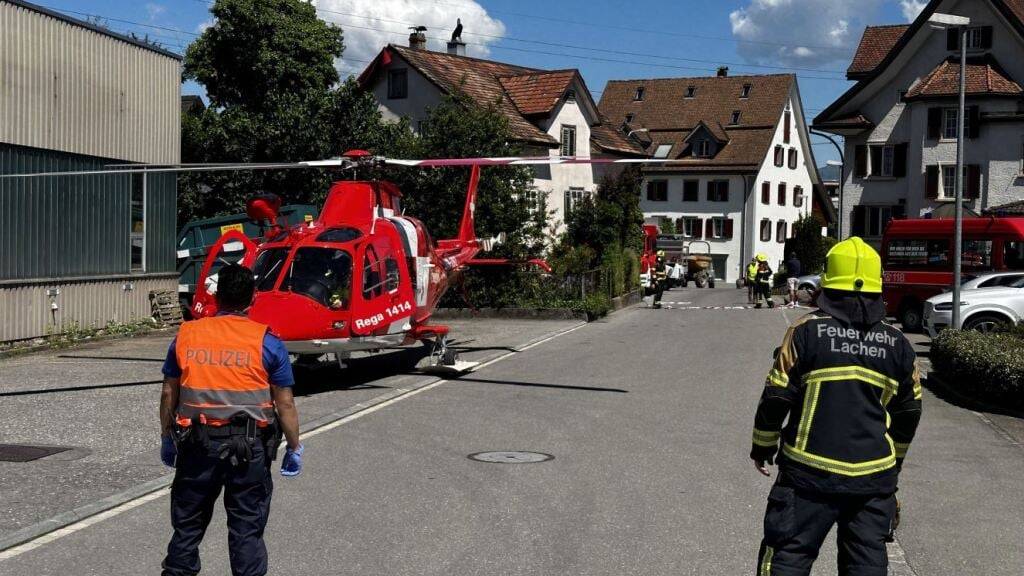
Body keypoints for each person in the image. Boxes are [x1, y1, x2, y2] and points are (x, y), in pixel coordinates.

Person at [750, 237, 922, 576]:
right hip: (874, 481)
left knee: (787, 558)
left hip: (807, 477)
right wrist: (894, 463)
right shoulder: (899, 345)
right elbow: (909, 413)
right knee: (866, 566)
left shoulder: (805, 332)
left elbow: (776, 397)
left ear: (828, 282)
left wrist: (763, 446)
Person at [159, 264, 304, 576]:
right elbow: (285, 403)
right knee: (246, 528)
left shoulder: (186, 336)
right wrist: (294, 446)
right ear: (252, 299)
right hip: (249, 450)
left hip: (197, 446)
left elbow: (169, 394)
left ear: (216, 297)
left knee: (187, 525)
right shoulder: (267, 342)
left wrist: (166, 436)